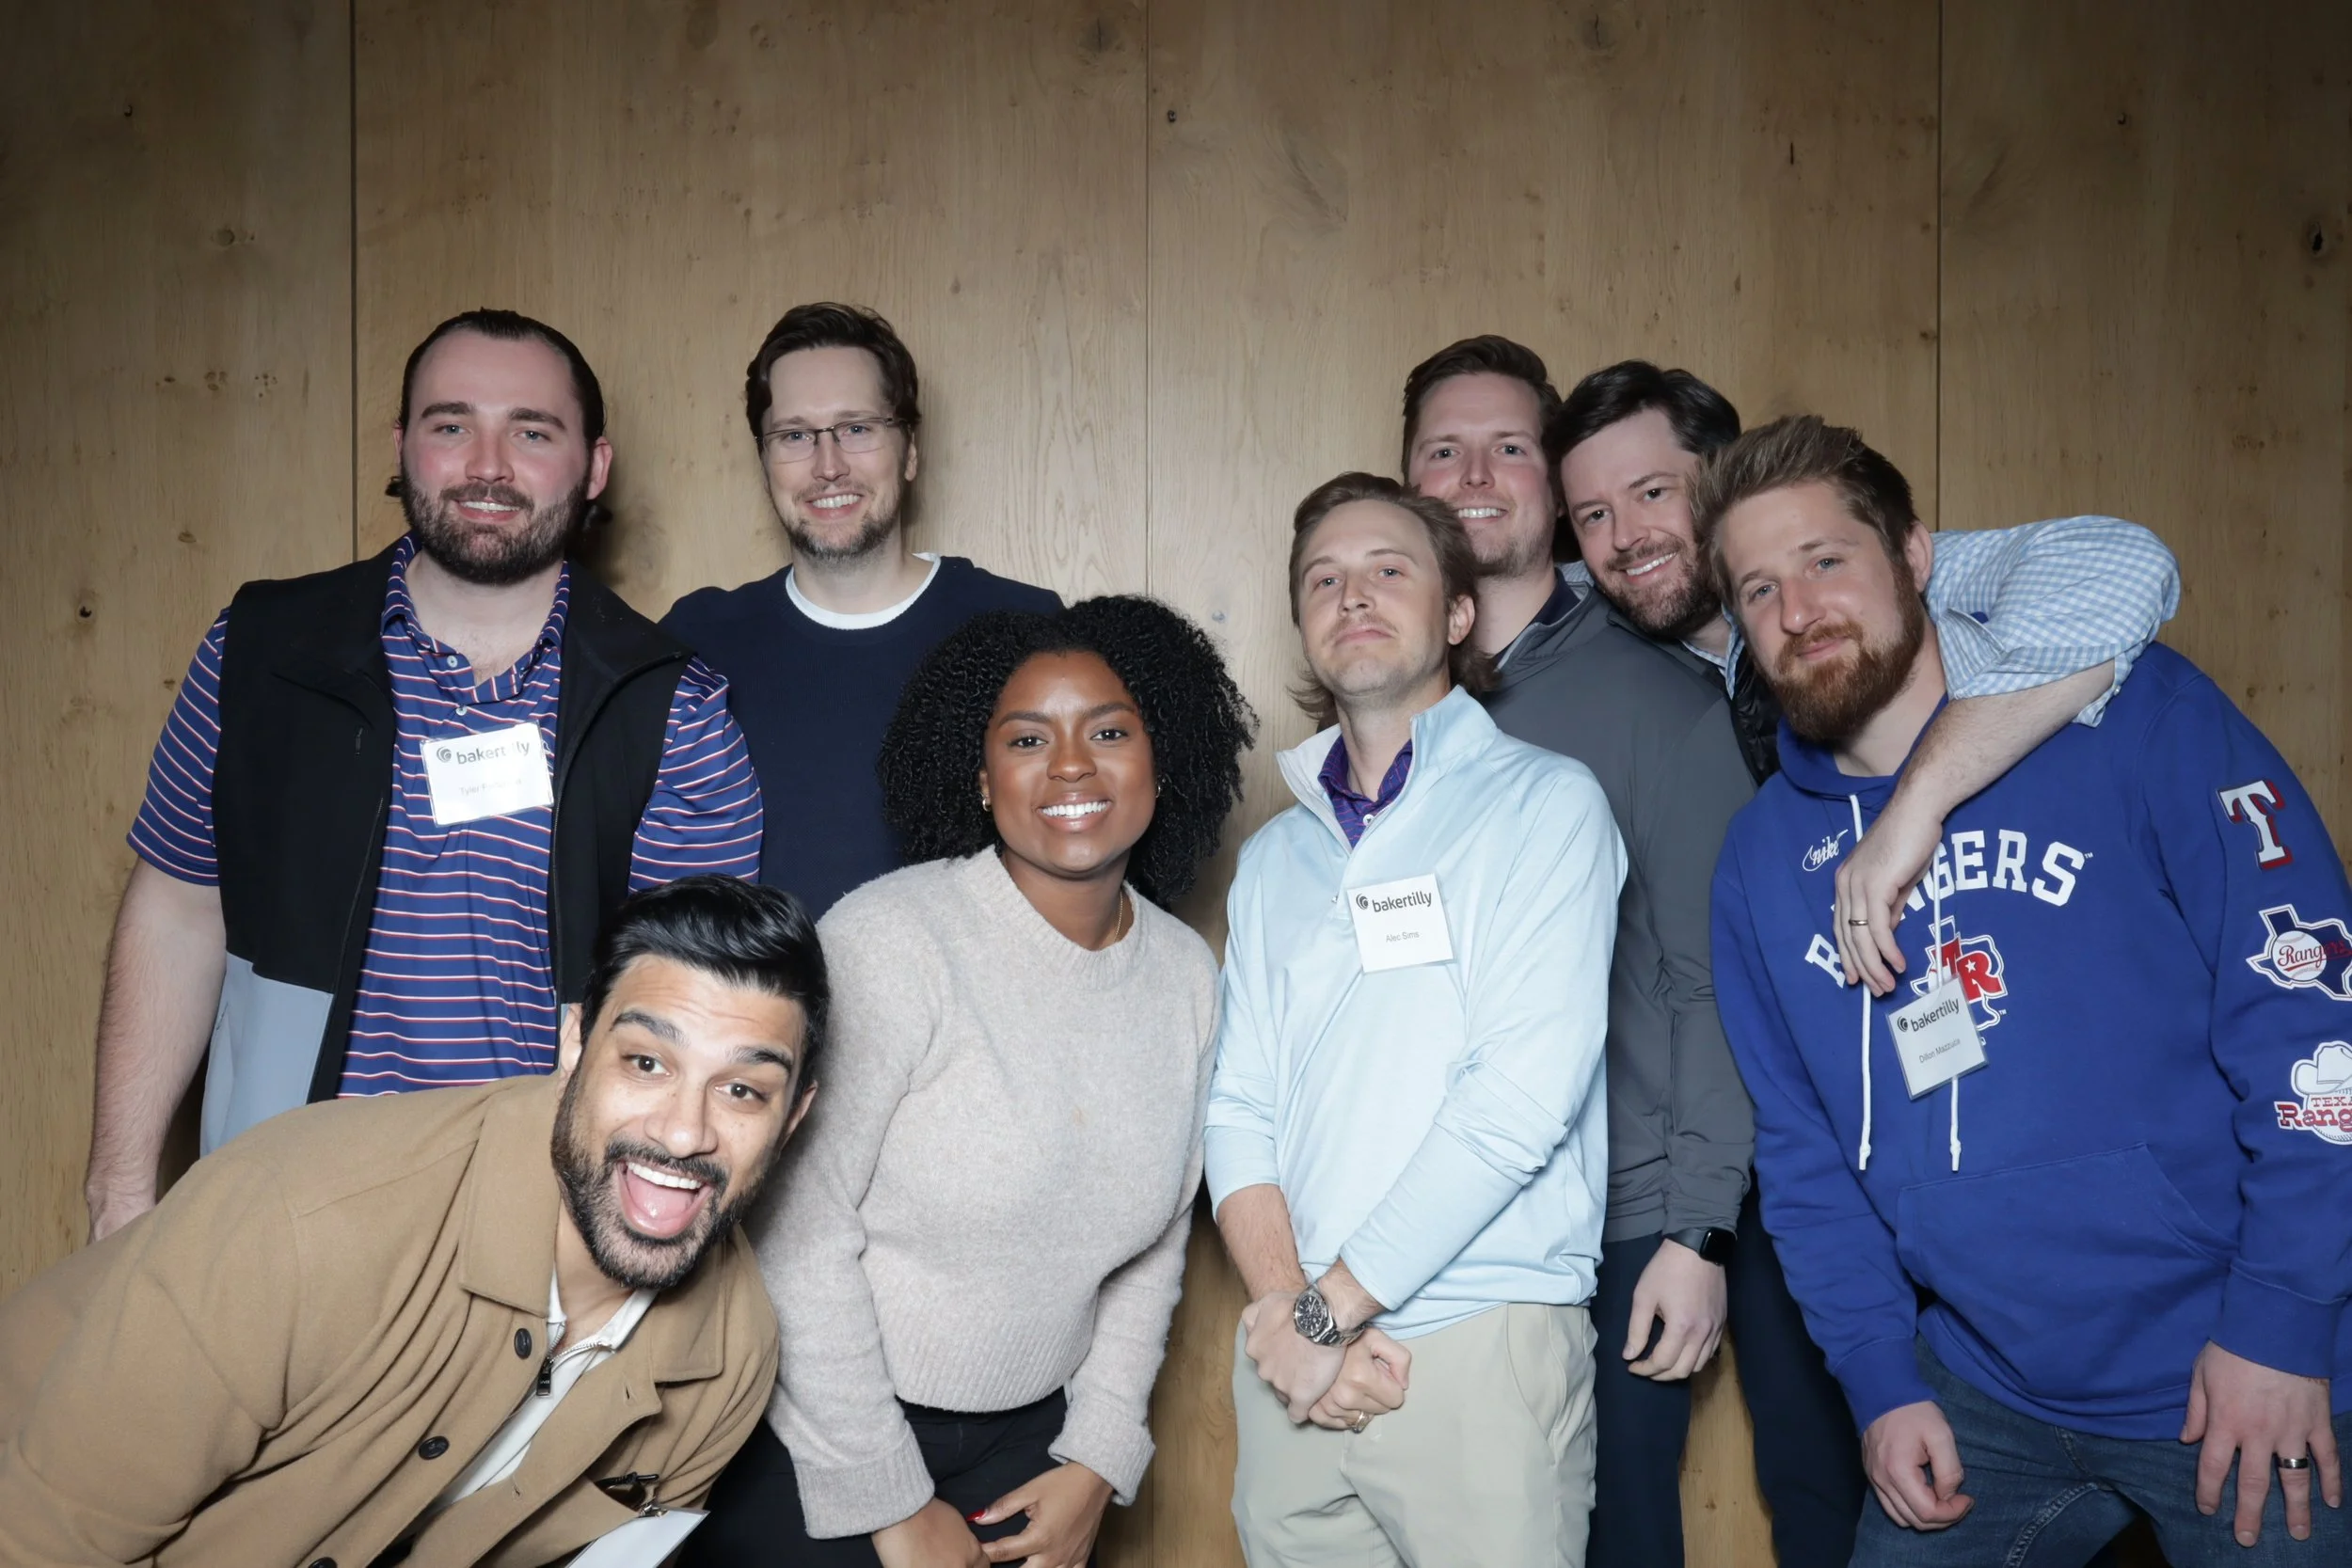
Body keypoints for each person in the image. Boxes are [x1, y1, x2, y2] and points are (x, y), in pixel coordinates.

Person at [1405, 337, 2181, 1567]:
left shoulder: (1849, 581)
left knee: (2011, 1469)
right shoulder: (1610, 654)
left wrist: (1920, 802)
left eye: (1658, 493)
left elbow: (2125, 567)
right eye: (1595, 514)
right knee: (1841, 1477)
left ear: (1727, 481)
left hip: (1955, 1113)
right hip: (1775, 1146)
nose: (1630, 536)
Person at [1703, 415, 2351, 1566]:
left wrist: (2280, 1323)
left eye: (1824, 560)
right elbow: (1803, 1157)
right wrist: (1879, 1379)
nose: (1796, 609)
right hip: (1980, 1387)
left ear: (1914, 555)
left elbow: (2312, 1021)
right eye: (1758, 588)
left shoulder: (2139, 714)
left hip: (2235, 1364)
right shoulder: (1760, 861)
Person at [85, 309, 763, 1242]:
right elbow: (177, 910)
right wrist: (121, 1194)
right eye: (451, 426)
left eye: (531, 431)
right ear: (405, 447)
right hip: (276, 1210)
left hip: (535, 1233)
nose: (488, 464)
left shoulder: (671, 706)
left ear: (593, 466)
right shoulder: (260, 652)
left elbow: (688, 1016)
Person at [0, 875, 824, 1566]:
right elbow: (48, 1537)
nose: (685, 1131)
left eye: (743, 1089)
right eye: (647, 1062)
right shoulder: (307, 1220)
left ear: (792, 1121)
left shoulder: (733, 1353)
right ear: (574, 1042)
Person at [683, 596, 1255, 1568]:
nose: (1070, 764)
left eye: (1108, 730)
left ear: (1164, 759)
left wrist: (1096, 1456)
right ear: (981, 779)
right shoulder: (891, 940)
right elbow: (794, 1229)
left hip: (1031, 1451)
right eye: (1026, 738)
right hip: (820, 1427)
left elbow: (1154, 1247)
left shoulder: (1185, 974)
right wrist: (891, 1498)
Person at [1207, 473, 1624, 1566]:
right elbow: (1238, 1106)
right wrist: (1297, 1319)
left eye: (1389, 568)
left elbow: (1518, 1100)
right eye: (1323, 579)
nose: (1353, 594)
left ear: (1455, 614)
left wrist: (1321, 1315)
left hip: (1477, 1338)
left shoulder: (1546, 805)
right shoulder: (1274, 860)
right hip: (1297, 1364)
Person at [663, 302, 1059, 919]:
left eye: (857, 428)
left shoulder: (1021, 627)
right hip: (760, 1014)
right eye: (795, 435)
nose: (828, 466)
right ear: (765, 462)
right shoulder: (698, 641)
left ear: (908, 452)